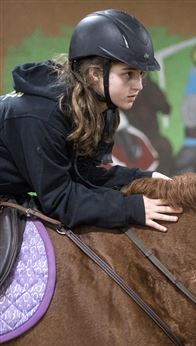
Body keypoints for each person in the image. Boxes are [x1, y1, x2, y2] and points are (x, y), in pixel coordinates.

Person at [0, 9, 180, 232]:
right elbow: (59, 200)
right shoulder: (42, 116)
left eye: (141, 75)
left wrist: (141, 178)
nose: (139, 85)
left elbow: (84, 174)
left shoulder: (101, 107)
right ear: (95, 74)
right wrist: (130, 209)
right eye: (128, 74)